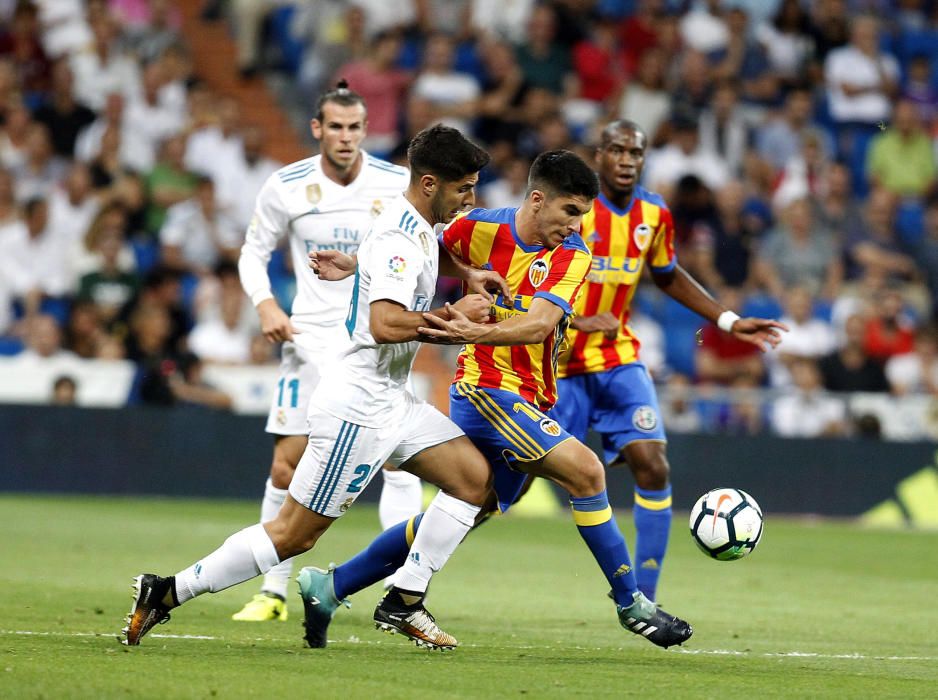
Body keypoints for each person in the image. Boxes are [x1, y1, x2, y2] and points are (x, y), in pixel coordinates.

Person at [299, 149, 701, 651]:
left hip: (530, 397)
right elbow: (411, 246)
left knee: (472, 506)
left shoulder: (573, 253)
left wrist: (472, 328)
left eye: (584, 214)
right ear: (537, 199)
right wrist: (356, 263)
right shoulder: (479, 227)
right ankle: (631, 603)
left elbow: (538, 325)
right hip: (484, 389)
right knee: (588, 472)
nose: (579, 225)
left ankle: (332, 588)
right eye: (571, 211)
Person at [123, 123, 499, 651]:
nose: (471, 198)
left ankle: (404, 599)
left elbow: (406, 254)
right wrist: (453, 315)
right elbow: (385, 323)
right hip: (358, 408)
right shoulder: (397, 235)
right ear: (432, 184)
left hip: (393, 400)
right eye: (464, 188)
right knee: (293, 534)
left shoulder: (407, 218)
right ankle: (165, 592)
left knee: (476, 484)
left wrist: (465, 275)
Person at [552, 120, 785, 602]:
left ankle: (645, 600)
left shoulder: (653, 214)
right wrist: (573, 322)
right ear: (599, 155)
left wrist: (725, 318)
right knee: (498, 492)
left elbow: (668, 274)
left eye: (635, 153)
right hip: (557, 364)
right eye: (616, 150)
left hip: (618, 358)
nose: (626, 161)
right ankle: (409, 570)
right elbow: (529, 274)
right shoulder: (574, 210)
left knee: (654, 466)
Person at [228, 82, 417, 623]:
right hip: (307, 339)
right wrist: (266, 304)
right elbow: (252, 253)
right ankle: (273, 591)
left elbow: (424, 246)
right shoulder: (286, 185)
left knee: (400, 465)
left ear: (364, 130)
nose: (345, 137)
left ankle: (399, 589)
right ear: (317, 129)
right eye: (335, 127)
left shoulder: (393, 183)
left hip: (375, 339)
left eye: (354, 127)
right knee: (288, 468)